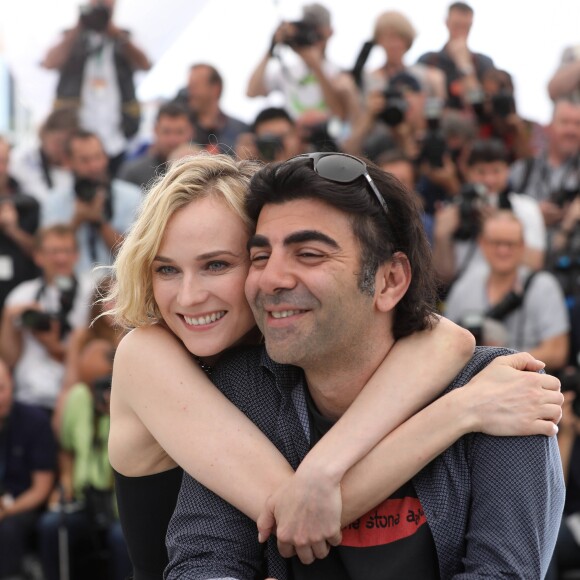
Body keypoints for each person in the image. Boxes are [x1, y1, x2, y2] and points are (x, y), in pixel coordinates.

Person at [107, 154, 561, 580]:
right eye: (166, 270)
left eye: (218, 264)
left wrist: (466, 403)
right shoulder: (157, 359)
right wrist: (458, 414)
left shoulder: (479, 377)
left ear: (390, 281)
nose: (188, 297)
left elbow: (446, 337)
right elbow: (294, 515)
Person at [38, 341, 131, 580]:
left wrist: (116, 409)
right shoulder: (78, 397)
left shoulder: (134, 401)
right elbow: (66, 449)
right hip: (84, 500)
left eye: (102, 383)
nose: (96, 392)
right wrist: (67, 479)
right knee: (51, 526)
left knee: (121, 539)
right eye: (90, 385)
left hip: (121, 508)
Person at [445, 212, 570, 371]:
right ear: (481, 243)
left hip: (528, 383)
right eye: (496, 243)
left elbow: (557, 352)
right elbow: (445, 345)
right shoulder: (464, 288)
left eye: (510, 244)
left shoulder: (543, 286)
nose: (503, 251)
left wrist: (498, 361)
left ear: (523, 246)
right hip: (473, 387)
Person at [41, 0, 151, 174]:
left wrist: (118, 35)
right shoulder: (71, 36)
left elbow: (145, 64)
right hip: (75, 133)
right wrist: (78, 27)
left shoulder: (123, 37)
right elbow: (49, 63)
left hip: (117, 136)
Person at [0, 225, 94, 414]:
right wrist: (10, 321)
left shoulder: (93, 294)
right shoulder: (22, 296)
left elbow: (101, 351)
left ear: (77, 255)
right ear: (38, 256)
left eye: (67, 251)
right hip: (29, 398)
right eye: (53, 252)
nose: (61, 258)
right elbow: (8, 359)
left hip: (78, 398)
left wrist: (56, 347)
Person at [432, 138, 546, 287]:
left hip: (513, 292)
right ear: (468, 173)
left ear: (507, 171)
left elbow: (535, 263)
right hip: (465, 291)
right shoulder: (453, 211)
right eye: (481, 172)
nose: (489, 180)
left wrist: (497, 227)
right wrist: (442, 237)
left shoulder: (526, 207)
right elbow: (441, 278)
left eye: (496, 171)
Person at [42, 130, 142, 277]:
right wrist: (77, 220)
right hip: (71, 286)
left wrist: (100, 221)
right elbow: (48, 255)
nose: (94, 166)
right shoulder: (53, 201)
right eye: (85, 160)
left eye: (98, 157)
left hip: (118, 285)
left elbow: (135, 254)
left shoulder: (132, 196)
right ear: (69, 162)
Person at [246, 3, 359, 124]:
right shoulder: (287, 71)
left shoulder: (338, 73)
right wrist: (271, 48)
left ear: (329, 32)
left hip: (326, 138)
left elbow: (339, 114)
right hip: (294, 139)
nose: (313, 36)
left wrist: (316, 66)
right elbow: (252, 92)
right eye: (308, 29)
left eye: (317, 30)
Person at [0, 358, 56, 579]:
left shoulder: (35, 421)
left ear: (12, 384)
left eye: (2, 389)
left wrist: (6, 511)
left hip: (23, 505)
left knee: (7, 530)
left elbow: (41, 488)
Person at [510, 99, 580, 230]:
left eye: (578, 124)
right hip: (527, 245)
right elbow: (502, 212)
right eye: (565, 122)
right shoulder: (523, 169)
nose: (571, 130)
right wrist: (532, 214)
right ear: (549, 127)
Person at [417, 2, 494, 110]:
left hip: (472, 124)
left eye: (465, 26)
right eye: (457, 25)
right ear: (447, 23)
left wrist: (465, 66)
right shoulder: (428, 60)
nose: (461, 31)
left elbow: (479, 105)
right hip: (437, 122)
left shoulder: (484, 63)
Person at [0, 137, 41, 311]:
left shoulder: (27, 202)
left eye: (4, 161)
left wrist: (13, 230)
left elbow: (40, 253)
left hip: (19, 296)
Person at [173, 63, 249, 154]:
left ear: (215, 88)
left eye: (194, 86)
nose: (189, 92)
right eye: (189, 87)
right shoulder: (180, 129)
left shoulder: (240, 130)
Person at [117, 102, 194, 190]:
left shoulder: (202, 170)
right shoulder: (133, 172)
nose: (173, 140)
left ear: (190, 131)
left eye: (179, 132)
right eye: (166, 132)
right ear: (155, 130)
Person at [8, 107, 77, 204]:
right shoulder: (21, 159)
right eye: (57, 142)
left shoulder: (75, 168)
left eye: (66, 144)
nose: (61, 148)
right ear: (44, 134)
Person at [236, 107, 304, 163]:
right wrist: (243, 167)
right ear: (256, 145)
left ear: (297, 137)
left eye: (282, 136)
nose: (278, 144)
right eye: (270, 139)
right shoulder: (254, 177)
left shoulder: (313, 166)